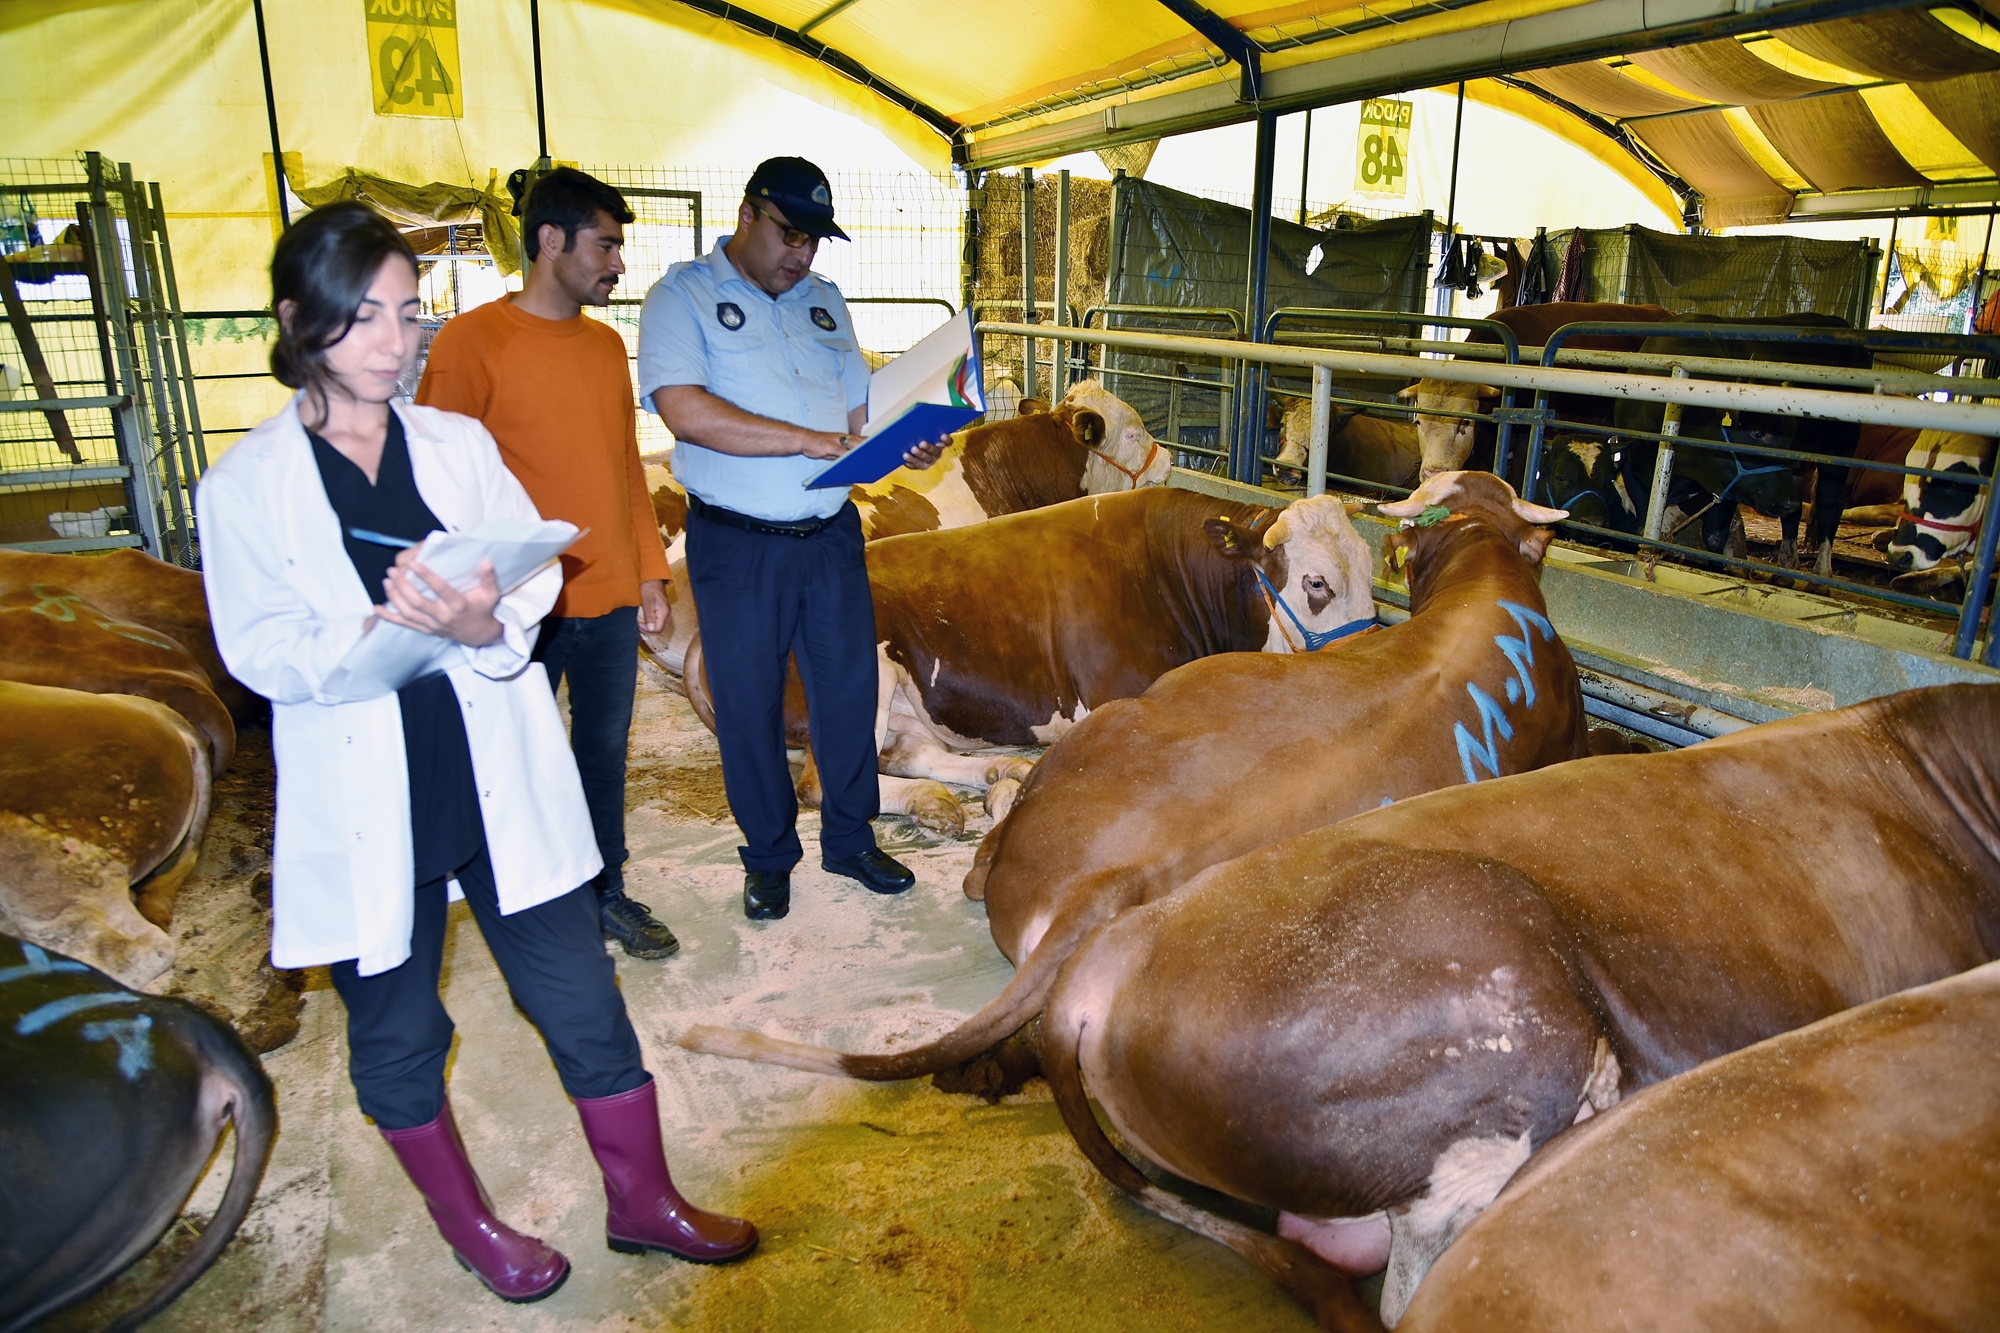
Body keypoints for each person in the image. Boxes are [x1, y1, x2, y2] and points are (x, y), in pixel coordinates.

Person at [198, 202, 756, 1304]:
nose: (395, 342)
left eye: (409, 315)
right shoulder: (243, 485)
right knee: (398, 1031)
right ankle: (474, 1232)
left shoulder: (455, 446)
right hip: (370, 794)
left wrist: (481, 622)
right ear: (295, 320)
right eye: (363, 317)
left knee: (581, 997)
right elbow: (258, 648)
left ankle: (643, 1203)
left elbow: (535, 569)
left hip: (491, 767)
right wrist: (384, 635)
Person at [637, 157, 943, 921]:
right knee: (747, 706)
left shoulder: (825, 305)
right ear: (748, 214)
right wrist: (802, 440)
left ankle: (850, 839)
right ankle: (770, 857)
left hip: (829, 537)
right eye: (789, 234)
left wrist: (907, 437)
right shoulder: (684, 298)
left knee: (847, 694)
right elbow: (685, 410)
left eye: (814, 241)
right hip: (737, 544)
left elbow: (856, 413)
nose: (801, 254)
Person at [416, 167, 678, 961]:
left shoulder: (604, 347)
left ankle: (606, 892)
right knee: (505, 759)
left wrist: (649, 571)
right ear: (551, 240)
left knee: (599, 755)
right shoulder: (470, 343)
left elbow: (624, 463)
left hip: (605, 599)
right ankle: (515, 904)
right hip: (508, 608)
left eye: (620, 246)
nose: (619, 263)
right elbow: (433, 481)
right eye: (606, 244)